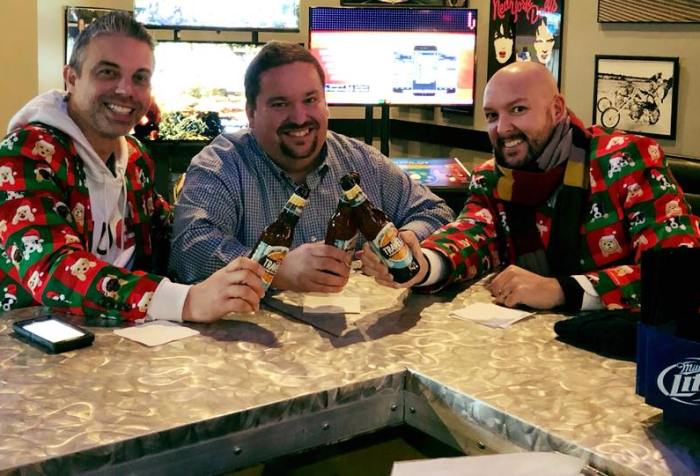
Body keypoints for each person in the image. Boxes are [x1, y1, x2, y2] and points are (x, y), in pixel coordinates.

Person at [362, 62, 700, 311]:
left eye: (518, 109)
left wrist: (562, 290)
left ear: (557, 109)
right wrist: (421, 263)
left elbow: (679, 274)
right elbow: (471, 236)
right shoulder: (491, 178)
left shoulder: (626, 159)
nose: (503, 127)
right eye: (492, 116)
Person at [0, 12, 265, 322]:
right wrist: (187, 301)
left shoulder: (135, 158)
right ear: (71, 78)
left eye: (140, 78)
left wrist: (246, 264)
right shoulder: (23, 154)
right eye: (108, 72)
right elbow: (52, 269)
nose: (126, 90)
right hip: (34, 342)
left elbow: (172, 235)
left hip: (134, 340)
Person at [170, 41, 454, 293]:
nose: (299, 117)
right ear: (251, 113)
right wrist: (276, 270)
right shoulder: (220, 166)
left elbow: (435, 212)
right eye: (280, 104)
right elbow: (189, 252)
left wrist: (407, 239)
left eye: (310, 100)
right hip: (251, 334)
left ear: (325, 103)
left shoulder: (362, 161)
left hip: (355, 333)